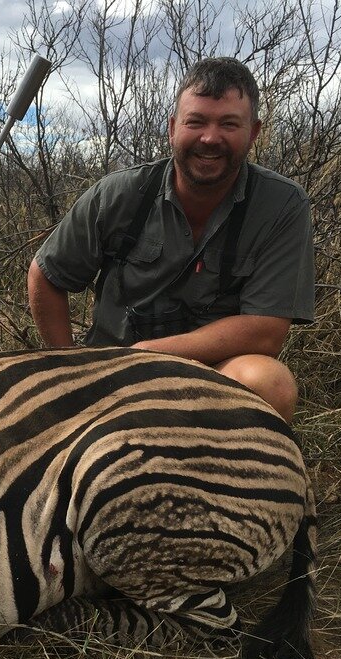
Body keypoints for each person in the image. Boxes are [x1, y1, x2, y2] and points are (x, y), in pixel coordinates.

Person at [28, 57, 314, 421]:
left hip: (213, 374)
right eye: (196, 122)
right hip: (113, 373)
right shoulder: (119, 194)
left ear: (254, 132)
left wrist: (150, 352)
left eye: (229, 124)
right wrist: (69, 368)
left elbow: (265, 332)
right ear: (172, 128)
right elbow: (45, 275)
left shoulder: (282, 204)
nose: (210, 138)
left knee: (269, 382)